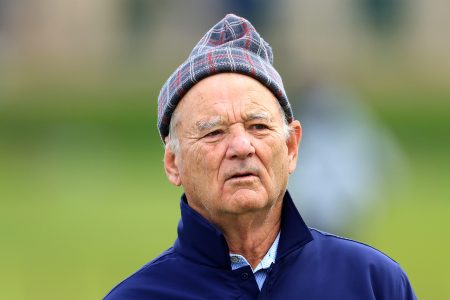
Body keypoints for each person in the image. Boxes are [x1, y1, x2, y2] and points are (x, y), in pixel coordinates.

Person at [104, 14, 416, 299]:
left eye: (258, 126)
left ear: (292, 148)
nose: (242, 146)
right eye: (214, 132)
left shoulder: (373, 283)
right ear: (173, 164)